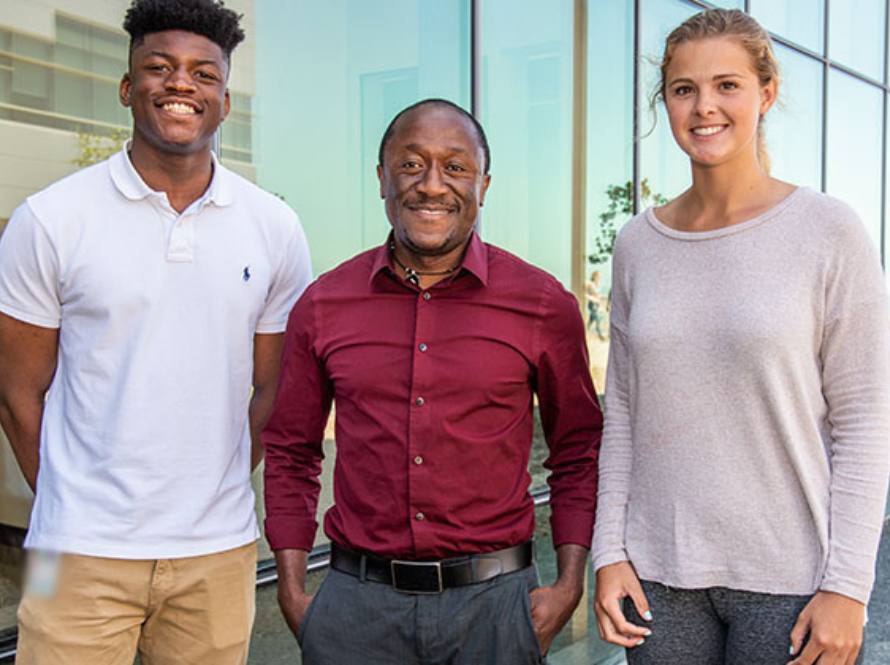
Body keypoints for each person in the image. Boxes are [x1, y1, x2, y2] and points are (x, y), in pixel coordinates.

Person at [0, 1, 311, 662]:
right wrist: (71, 503)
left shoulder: (274, 227)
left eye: (203, 74)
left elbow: (272, 388)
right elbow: (16, 394)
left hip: (217, 550)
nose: (180, 84)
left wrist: (213, 481)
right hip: (73, 548)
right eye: (159, 67)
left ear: (225, 102)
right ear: (126, 87)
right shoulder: (50, 219)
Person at [591, 8, 890, 665]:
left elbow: (864, 420)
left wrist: (849, 586)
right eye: (683, 89)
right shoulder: (638, 243)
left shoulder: (829, 230)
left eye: (727, 85)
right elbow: (625, 416)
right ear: (665, 100)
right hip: (659, 576)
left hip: (790, 582)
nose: (705, 107)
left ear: (767, 93)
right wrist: (608, 549)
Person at [263, 98, 602, 665]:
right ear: (382, 179)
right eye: (411, 164)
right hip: (356, 611)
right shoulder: (324, 303)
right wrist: (295, 592)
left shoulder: (543, 304)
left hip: (496, 611)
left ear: (483, 183)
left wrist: (569, 586)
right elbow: (292, 451)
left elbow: (578, 451)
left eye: (456, 166)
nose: (432, 185)